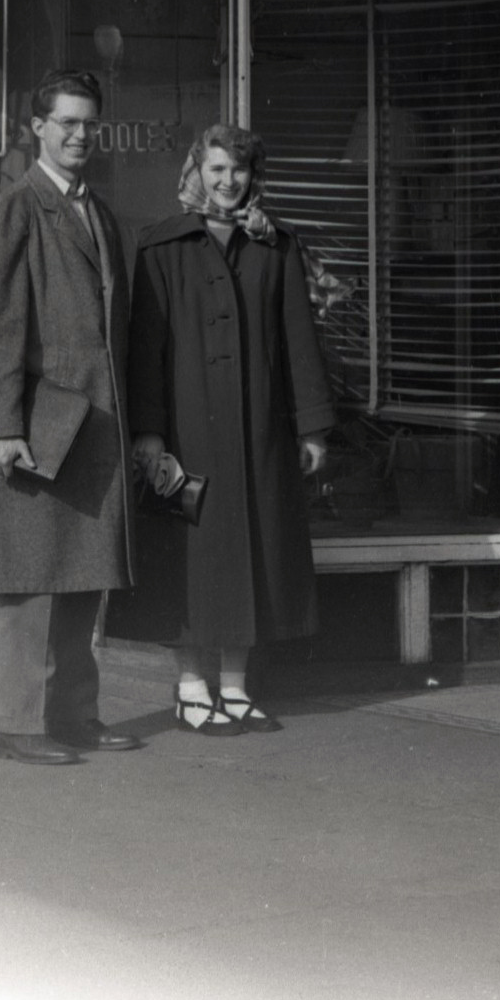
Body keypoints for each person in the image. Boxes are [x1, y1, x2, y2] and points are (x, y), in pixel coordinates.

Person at [0, 68, 140, 766]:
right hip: (35, 427)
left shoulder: (98, 213)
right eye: (65, 122)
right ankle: (19, 724)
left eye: (88, 123)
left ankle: (73, 716)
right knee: (31, 580)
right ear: (35, 127)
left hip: (92, 426)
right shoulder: (14, 208)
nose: (78, 135)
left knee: (80, 576)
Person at [126, 125, 335, 733]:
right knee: (186, 554)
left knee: (251, 551)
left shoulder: (275, 247)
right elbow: (146, 350)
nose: (227, 182)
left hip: (257, 432)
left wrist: (313, 428)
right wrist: (149, 433)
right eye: (216, 169)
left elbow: (300, 339)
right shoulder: (161, 247)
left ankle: (237, 686)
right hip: (183, 432)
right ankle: (192, 684)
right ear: (197, 170)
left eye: (239, 171)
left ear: (253, 176)